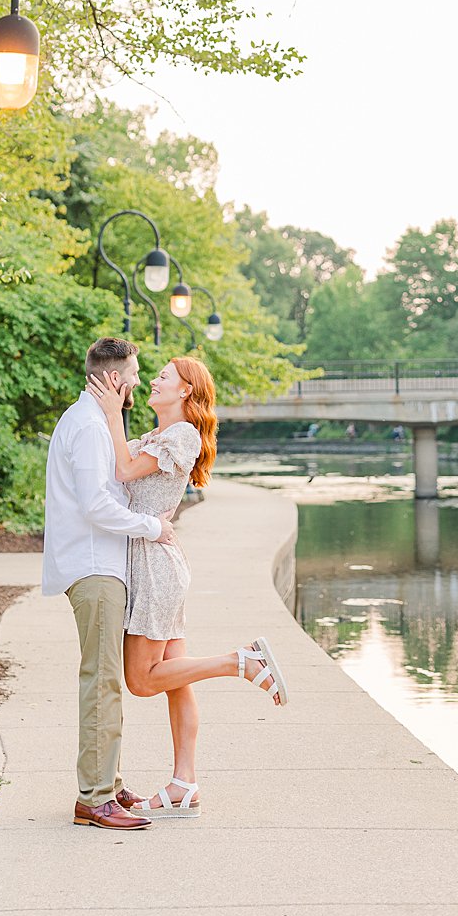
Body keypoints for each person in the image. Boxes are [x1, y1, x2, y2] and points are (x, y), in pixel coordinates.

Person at [93, 355, 288, 821]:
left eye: (163, 377)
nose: (153, 382)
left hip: (155, 568)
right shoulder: (159, 436)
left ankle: (239, 661)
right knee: (178, 681)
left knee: (141, 681)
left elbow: (122, 471)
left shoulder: (181, 435)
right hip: (155, 561)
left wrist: (113, 410)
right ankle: (184, 783)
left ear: (185, 391)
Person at [42, 337, 179, 832]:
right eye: (136, 374)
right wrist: (153, 527)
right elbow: (95, 505)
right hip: (95, 568)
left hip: (105, 566)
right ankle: (94, 798)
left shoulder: (98, 423)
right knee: (101, 680)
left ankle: (109, 782)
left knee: (106, 680)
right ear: (115, 379)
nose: (140, 382)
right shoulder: (87, 427)